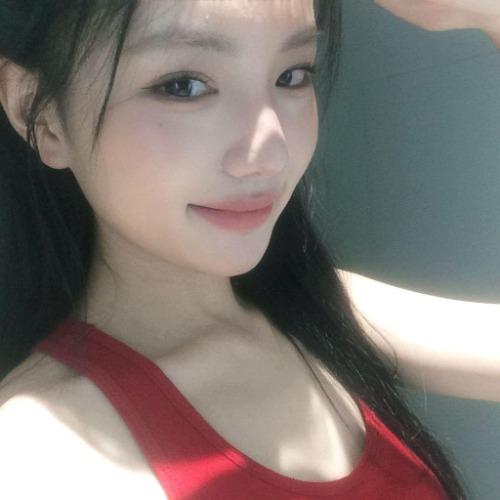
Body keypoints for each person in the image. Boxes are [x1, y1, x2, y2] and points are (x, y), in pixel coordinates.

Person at [0, 1, 497, 499]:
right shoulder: (38, 453)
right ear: (39, 114)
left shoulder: (325, 311)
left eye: (292, 75)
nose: (269, 152)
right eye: (183, 86)